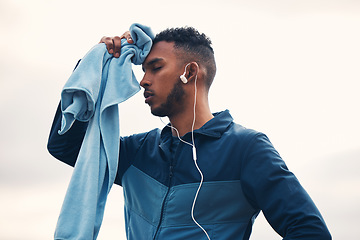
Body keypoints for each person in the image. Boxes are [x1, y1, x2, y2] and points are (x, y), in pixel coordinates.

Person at [47, 27, 331, 239]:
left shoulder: (247, 149)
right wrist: (92, 68)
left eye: (156, 68)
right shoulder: (137, 152)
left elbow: (308, 231)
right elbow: (66, 146)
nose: (144, 80)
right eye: (143, 71)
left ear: (190, 72)